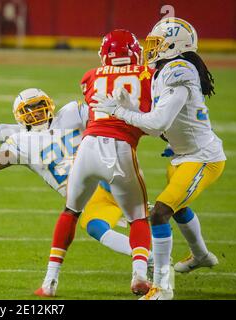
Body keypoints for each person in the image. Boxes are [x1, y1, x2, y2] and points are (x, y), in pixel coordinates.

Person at [0, 87, 139, 297]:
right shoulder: (19, 142)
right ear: (20, 115)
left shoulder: (72, 112)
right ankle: (146, 259)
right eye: (29, 109)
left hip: (109, 176)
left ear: (49, 104)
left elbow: (106, 120)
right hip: (86, 196)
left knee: (139, 219)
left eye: (40, 106)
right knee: (98, 226)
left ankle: (148, 262)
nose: (37, 112)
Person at [92, 18, 226, 300]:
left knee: (160, 213)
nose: (151, 48)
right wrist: (130, 106)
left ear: (175, 46)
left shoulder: (178, 71)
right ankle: (201, 255)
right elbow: (164, 122)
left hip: (202, 158)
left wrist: (120, 111)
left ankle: (163, 288)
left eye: (157, 43)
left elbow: (156, 122)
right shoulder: (165, 71)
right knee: (177, 208)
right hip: (182, 155)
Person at [37, 29, 157, 297]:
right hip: (120, 149)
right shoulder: (147, 75)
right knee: (138, 217)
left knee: (70, 211)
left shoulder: (91, 76)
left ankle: (49, 282)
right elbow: (151, 118)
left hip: (88, 147)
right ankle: (139, 274)